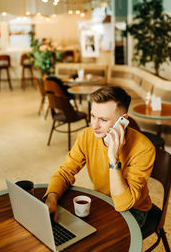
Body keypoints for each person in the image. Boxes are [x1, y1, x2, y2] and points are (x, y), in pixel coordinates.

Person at [45, 86, 156, 227]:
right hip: (102, 198)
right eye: (93, 116)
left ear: (123, 120)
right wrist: (52, 198)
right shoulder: (87, 135)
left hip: (133, 209)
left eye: (103, 119)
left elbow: (123, 204)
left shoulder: (144, 148)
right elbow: (65, 171)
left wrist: (113, 158)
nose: (94, 125)